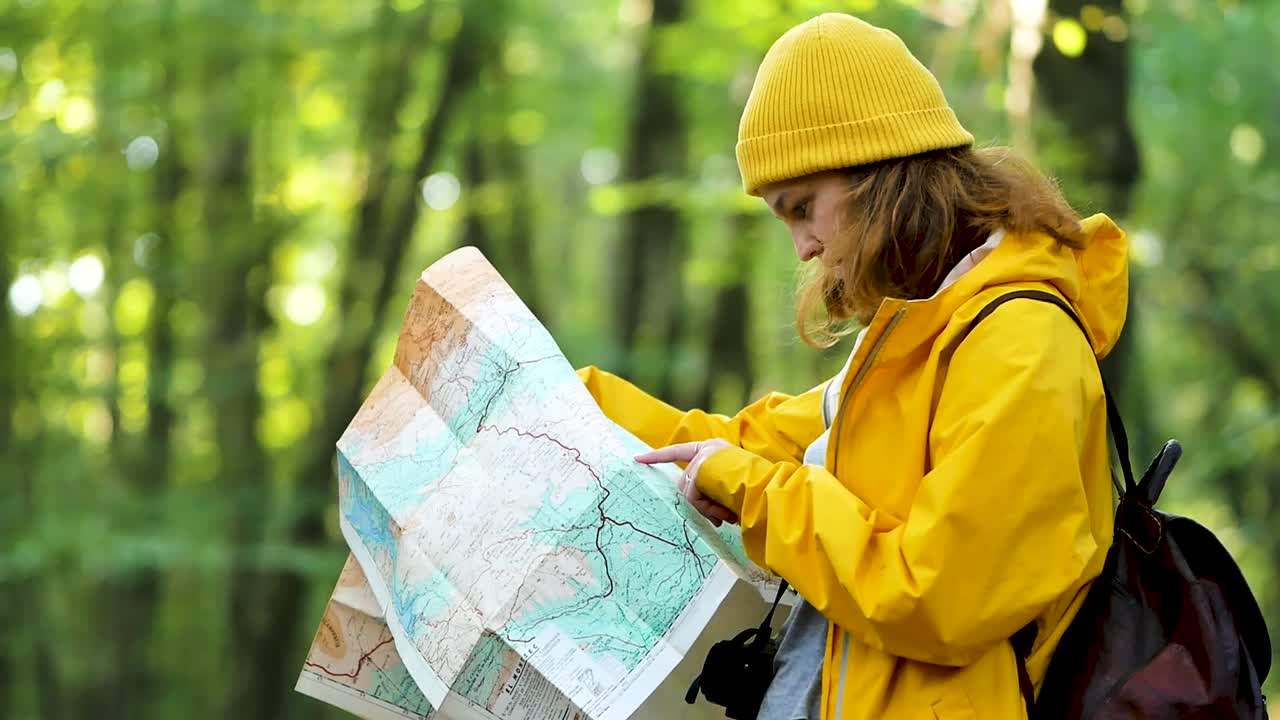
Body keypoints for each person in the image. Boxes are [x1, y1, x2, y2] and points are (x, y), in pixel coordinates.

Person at [578, 12, 1128, 720]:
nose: (803, 248)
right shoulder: (922, 340)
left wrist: (755, 495)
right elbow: (751, 441)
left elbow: (938, 595)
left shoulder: (1022, 343)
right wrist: (572, 401)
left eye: (803, 207)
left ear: (884, 171)